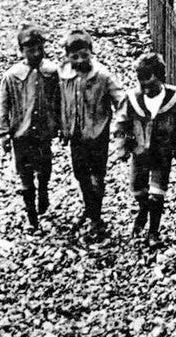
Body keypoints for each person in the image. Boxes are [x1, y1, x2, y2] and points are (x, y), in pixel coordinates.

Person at [113, 52, 176, 242]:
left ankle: (154, 231)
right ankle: (143, 210)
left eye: (148, 77)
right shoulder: (132, 99)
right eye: (140, 78)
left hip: (162, 153)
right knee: (137, 189)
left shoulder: (174, 98)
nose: (144, 84)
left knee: (157, 193)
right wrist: (125, 145)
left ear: (160, 76)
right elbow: (120, 126)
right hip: (139, 153)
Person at [0, 24, 61, 232]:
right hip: (21, 134)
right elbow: (3, 105)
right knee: (25, 175)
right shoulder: (12, 76)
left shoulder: (51, 72)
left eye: (40, 48)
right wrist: (3, 133)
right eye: (31, 49)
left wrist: (61, 126)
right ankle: (31, 217)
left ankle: (44, 192)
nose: (36, 53)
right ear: (21, 51)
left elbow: (60, 101)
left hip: (43, 133)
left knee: (45, 168)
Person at [58, 30, 124, 240]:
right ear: (67, 56)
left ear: (92, 53)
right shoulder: (65, 75)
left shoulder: (102, 76)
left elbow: (120, 99)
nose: (79, 60)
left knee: (97, 174)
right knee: (81, 173)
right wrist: (62, 126)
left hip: (97, 133)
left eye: (84, 55)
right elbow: (60, 101)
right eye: (74, 56)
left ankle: (96, 216)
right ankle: (89, 208)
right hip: (76, 134)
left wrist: (122, 126)